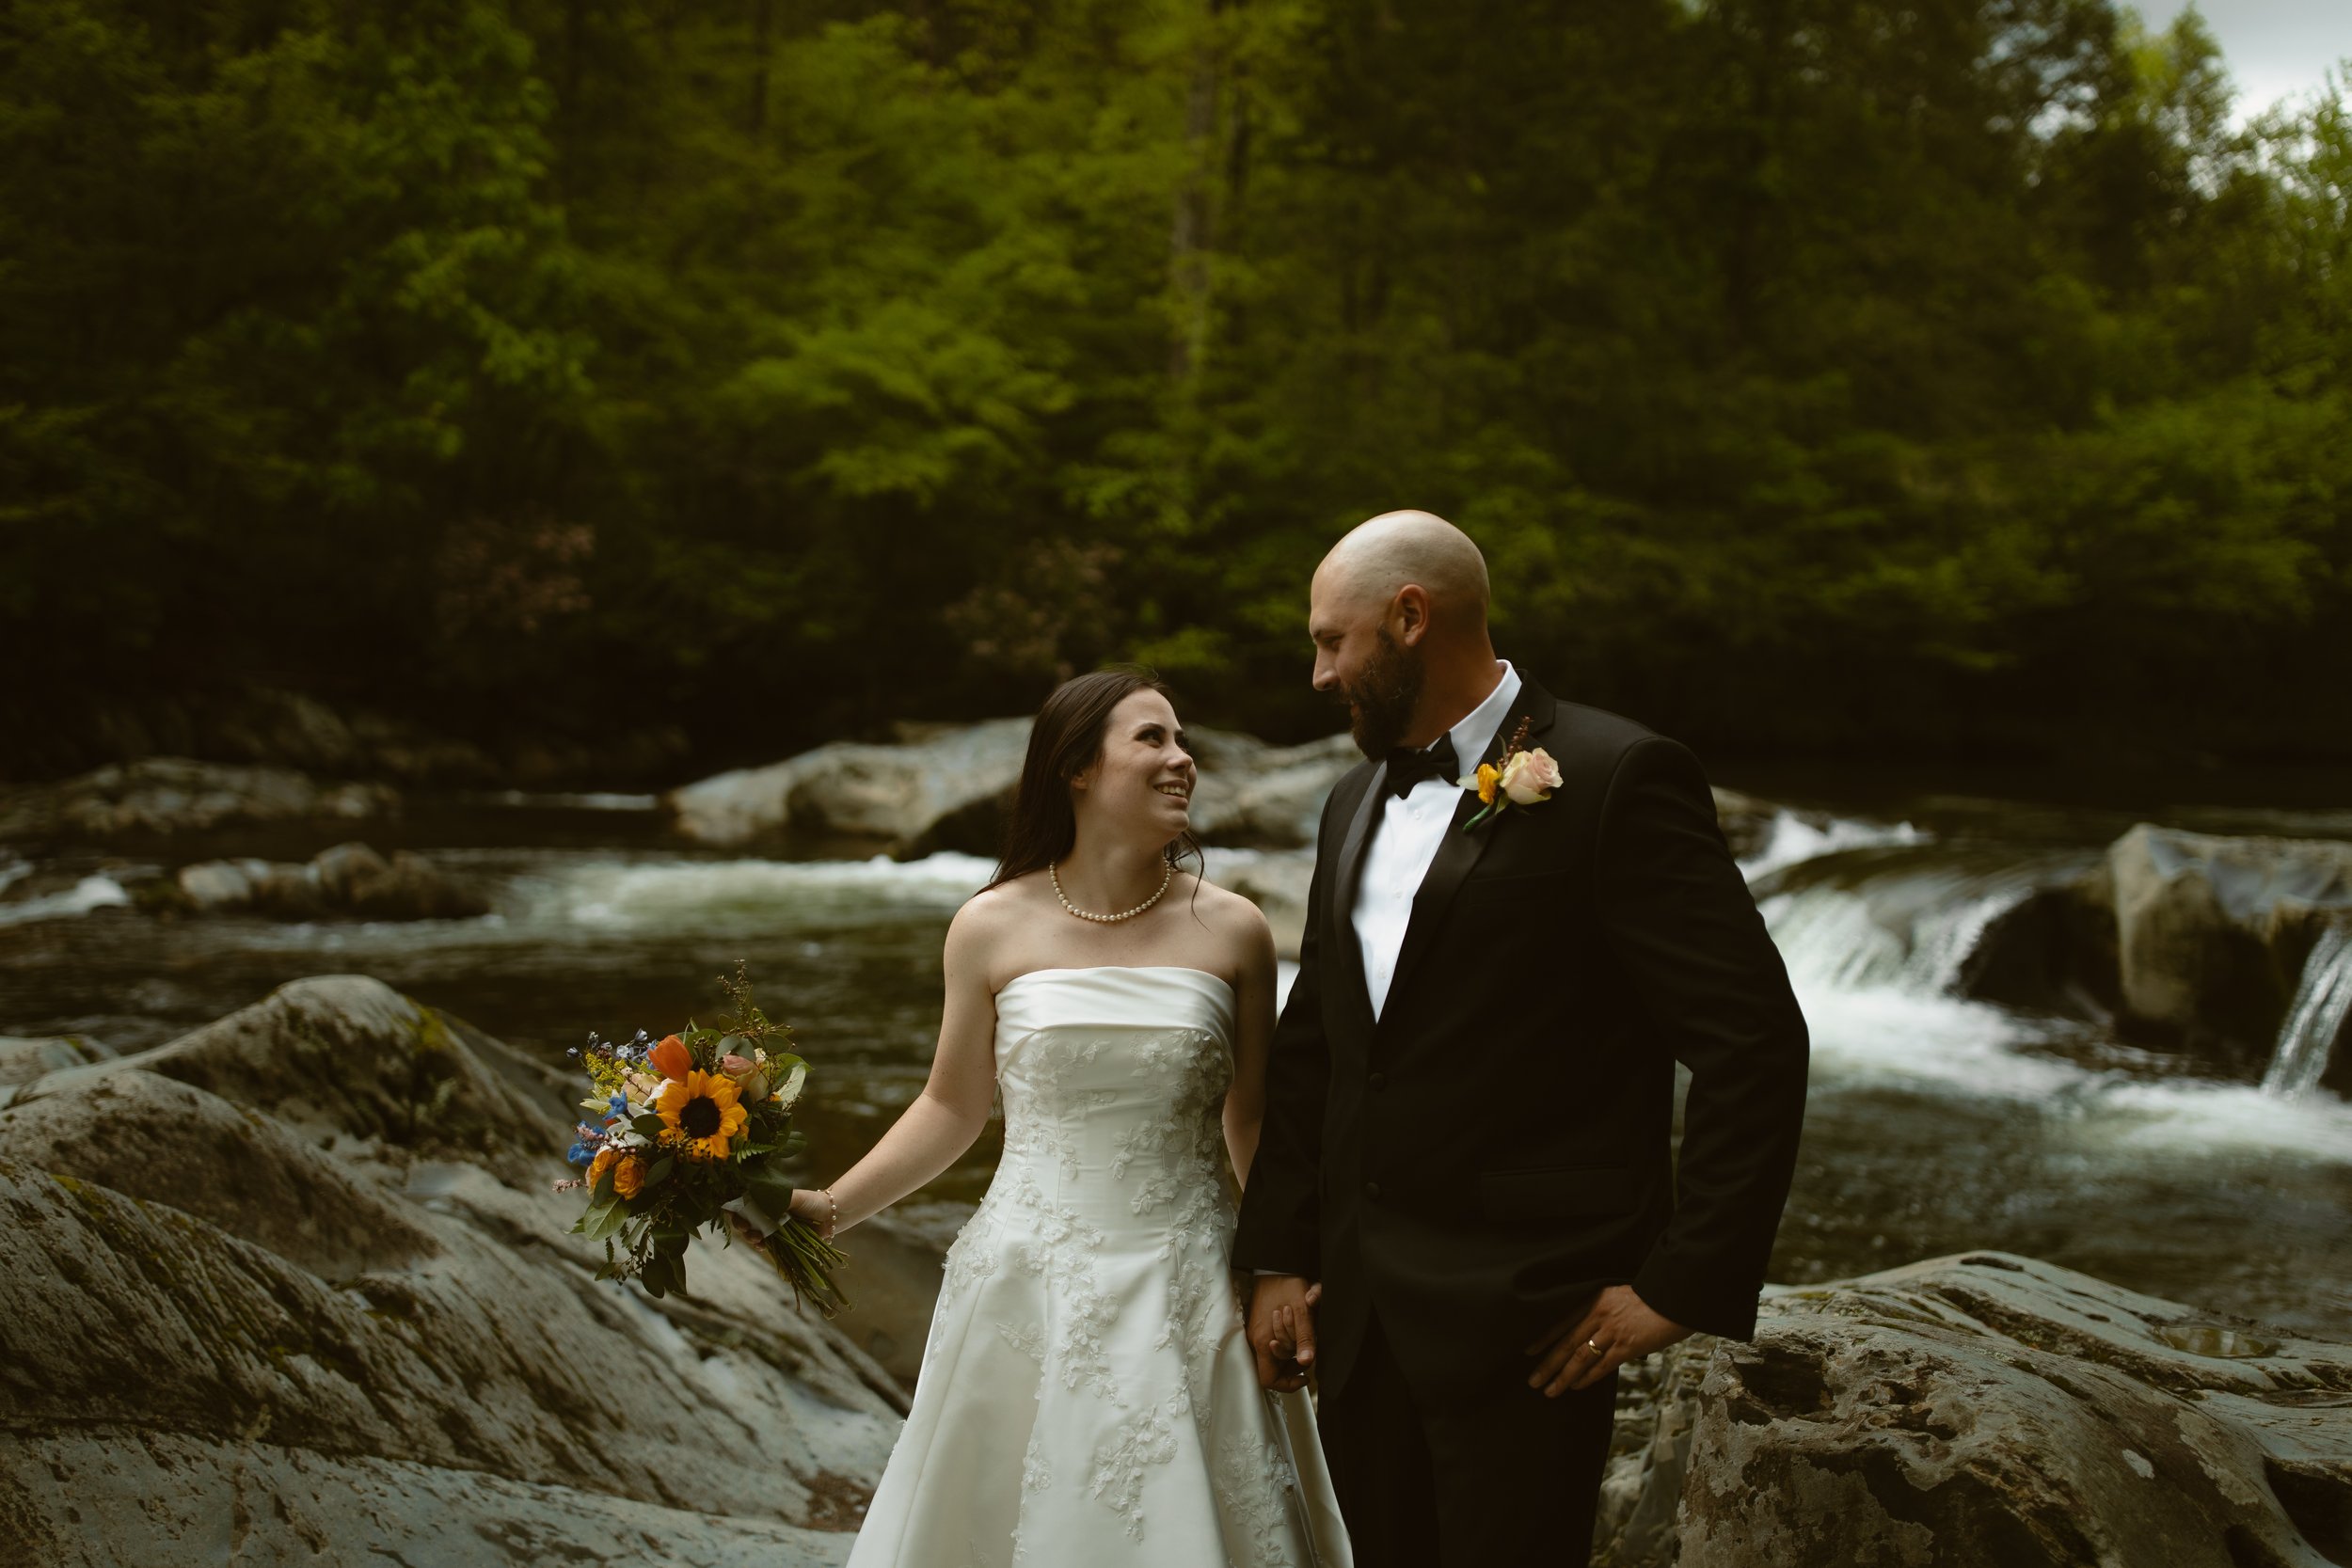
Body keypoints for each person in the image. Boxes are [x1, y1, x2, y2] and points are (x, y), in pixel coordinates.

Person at [1233, 511, 1809, 1568]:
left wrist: (1681, 1281)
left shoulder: (1617, 772)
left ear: (1410, 618)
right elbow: (1319, 1041)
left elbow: (1752, 1037)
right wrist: (1279, 1252)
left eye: (1330, 640)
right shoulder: (1349, 801)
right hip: (1357, 1315)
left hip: (1532, 1319)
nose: (1316, 674)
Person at [736, 669, 1352, 1567]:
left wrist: (1287, 1274)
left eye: (1184, 742)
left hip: (1187, 1280)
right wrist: (831, 1208)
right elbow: (952, 1104)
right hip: (1026, 1277)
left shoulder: (1237, 929)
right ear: (1075, 767)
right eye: (1152, 738)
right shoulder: (988, 924)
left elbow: (1252, 1125)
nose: (1182, 759)